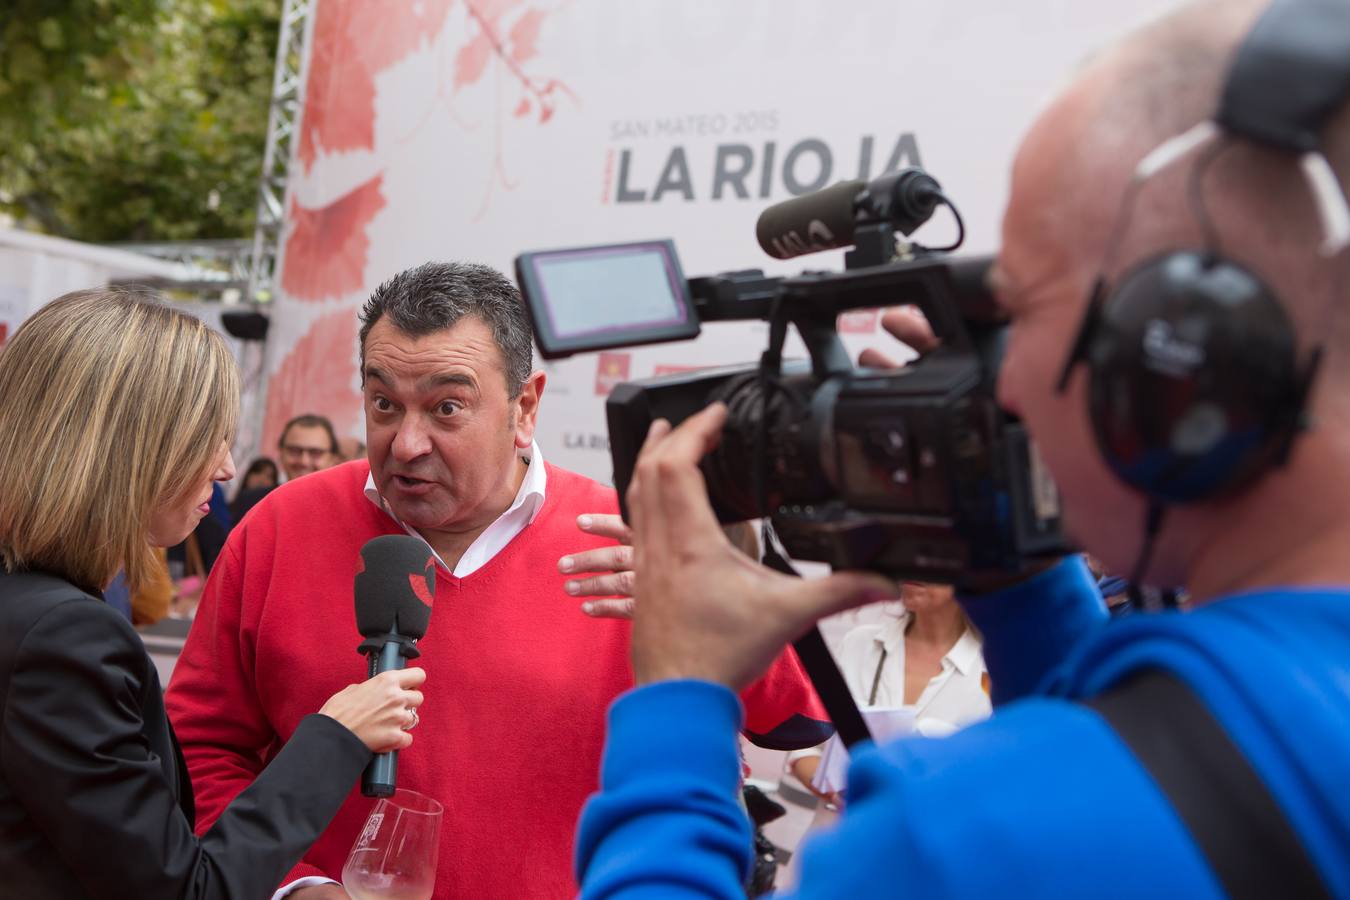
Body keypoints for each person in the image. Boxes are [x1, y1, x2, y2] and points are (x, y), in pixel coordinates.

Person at [574, 1, 1350, 896]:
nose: (1001, 386)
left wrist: (676, 707)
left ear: (1176, 353)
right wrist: (1019, 586)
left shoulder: (956, 841)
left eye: (1017, 313)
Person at [165, 262, 831, 899]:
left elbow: (799, 723)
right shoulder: (278, 528)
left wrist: (725, 610)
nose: (406, 443)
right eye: (383, 404)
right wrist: (296, 887)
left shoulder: (634, 538)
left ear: (525, 407)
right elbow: (199, 747)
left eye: (447, 407)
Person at [0, 289, 426, 899]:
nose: (226, 468)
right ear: (132, 448)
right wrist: (337, 736)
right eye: (208, 439)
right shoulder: (63, 638)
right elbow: (184, 890)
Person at [786, 582, 989, 805]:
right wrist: (837, 791)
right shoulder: (860, 643)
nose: (911, 571)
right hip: (837, 831)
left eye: (928, 555)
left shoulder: (992, 671)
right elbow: (805, 746)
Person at [277, 413, 340, 481]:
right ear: (281, 454)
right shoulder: (267, 492)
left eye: (315, 452)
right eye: (295, 450)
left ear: (333, 459)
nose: (304, 462)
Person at [231, 456, 281, 522]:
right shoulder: (228, 510)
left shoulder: (274, 516)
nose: (262, 479)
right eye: (258, 472)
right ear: (248, 476)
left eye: (269, 476)